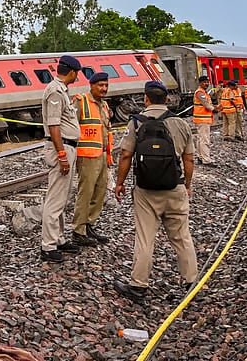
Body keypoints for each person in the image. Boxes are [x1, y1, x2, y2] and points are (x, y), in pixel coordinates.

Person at [112, 80, 198, 303]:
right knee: (181, 237)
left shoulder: (136, 123)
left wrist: (119, 183)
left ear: (146, 99)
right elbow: (189, 159)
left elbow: (125, 156)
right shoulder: (180, 124)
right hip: (175, 187)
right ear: (167, 99)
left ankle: (138, 286)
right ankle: (191, 283)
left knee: (145, 239)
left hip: (145, 190)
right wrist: (186, 185)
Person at [40, 54, 83, 262]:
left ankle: (59, 239)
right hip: (62, 147)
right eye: (78, 73)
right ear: (72, 72)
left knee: (62, 197)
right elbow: (54, 125)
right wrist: (62, 155)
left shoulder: (62, 91)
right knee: (55, 199)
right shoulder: (55, 91)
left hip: (67, 146)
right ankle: (48, 246)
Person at [72, 72, 113, 246]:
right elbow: (72, 128)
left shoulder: (104, 105)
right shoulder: (81, 102)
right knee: (86, 193)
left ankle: (89, 225)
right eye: (100, 85)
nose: (104, 88)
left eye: (106, 85)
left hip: (102, 155)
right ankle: (78, 230)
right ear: (91, 85)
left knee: (99, 192)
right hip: (87, 156)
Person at [192, 75, 216, 166]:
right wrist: (215, 109)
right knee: (204, 139)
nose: (206, 84)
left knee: (200, 138)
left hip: (202, 119)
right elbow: (206, 104)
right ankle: (206, 159)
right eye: (204, 82)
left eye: (207, 82)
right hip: (202, 119)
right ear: (200, 83)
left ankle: (200, 157)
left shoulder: (204, 93)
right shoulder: (200, 92)